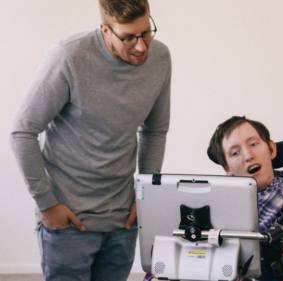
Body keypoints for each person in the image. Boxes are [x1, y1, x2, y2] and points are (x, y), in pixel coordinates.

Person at [9, 0, 171, 280]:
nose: (141, 46)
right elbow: (22, 131)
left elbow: (155, 131)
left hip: (124, 221)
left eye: (146, 32)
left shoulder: (160, 58)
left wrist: (145, 197)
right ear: (105, 29)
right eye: (129, 37)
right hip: (68, 222)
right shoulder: (68, 56)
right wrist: (47, 205)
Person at [144, 116, 283, 281]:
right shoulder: (207, 210)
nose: (247, 156)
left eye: (253, 144)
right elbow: (160, 266)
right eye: (235, 153)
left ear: (271, 149)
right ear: (227, 169)